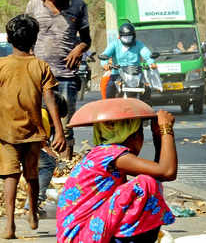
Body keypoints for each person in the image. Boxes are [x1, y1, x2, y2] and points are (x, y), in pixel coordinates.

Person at [56, 98, 177, 243]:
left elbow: (161, 173)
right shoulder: (112, 154)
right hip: (81, 236)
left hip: (81, 234)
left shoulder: (102, 153)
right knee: (146, 183)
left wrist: (158, 137)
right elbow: (167, 171)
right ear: (133, 134)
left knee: (150, 181)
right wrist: (166, 130)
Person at [0, 14, 66, 239]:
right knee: (32, 174)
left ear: (9, 39)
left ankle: (9, 224)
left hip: (6, 132)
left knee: (10, 176)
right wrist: (59, 131)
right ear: (35, 39)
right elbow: (51, 101)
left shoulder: (1, 65)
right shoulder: (40, 66)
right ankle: (33, 214)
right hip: (34, 132)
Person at [26, 0, 92, 160]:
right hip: (38, 77)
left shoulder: (78, 6)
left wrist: (79, 49)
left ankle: (64, 167)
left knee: (65, 127)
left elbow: (86, 39)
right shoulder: (33, 5)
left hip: (65, 77)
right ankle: (40, 166)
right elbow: (26, 36)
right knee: (39, 126)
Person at [24, 92, 68, 217]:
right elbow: (39, 141)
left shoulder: (34, 106)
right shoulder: (43, 116)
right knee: (48, 164)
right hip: (24, 144)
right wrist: (52, 155)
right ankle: (33, 204)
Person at [100, 22, 156, 98]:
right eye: (124, 37)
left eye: (129, 36)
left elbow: (147, 54)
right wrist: (104, 64)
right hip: (117, 73)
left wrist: (151, 62)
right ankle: (108, 106)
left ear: (134, 36)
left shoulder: (139, 44)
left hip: (136, 73)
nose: (127, 39)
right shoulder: (114, 44)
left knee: (147, 87)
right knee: (110, 87)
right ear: (120, 36)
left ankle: (146, 107)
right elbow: (105, 54)